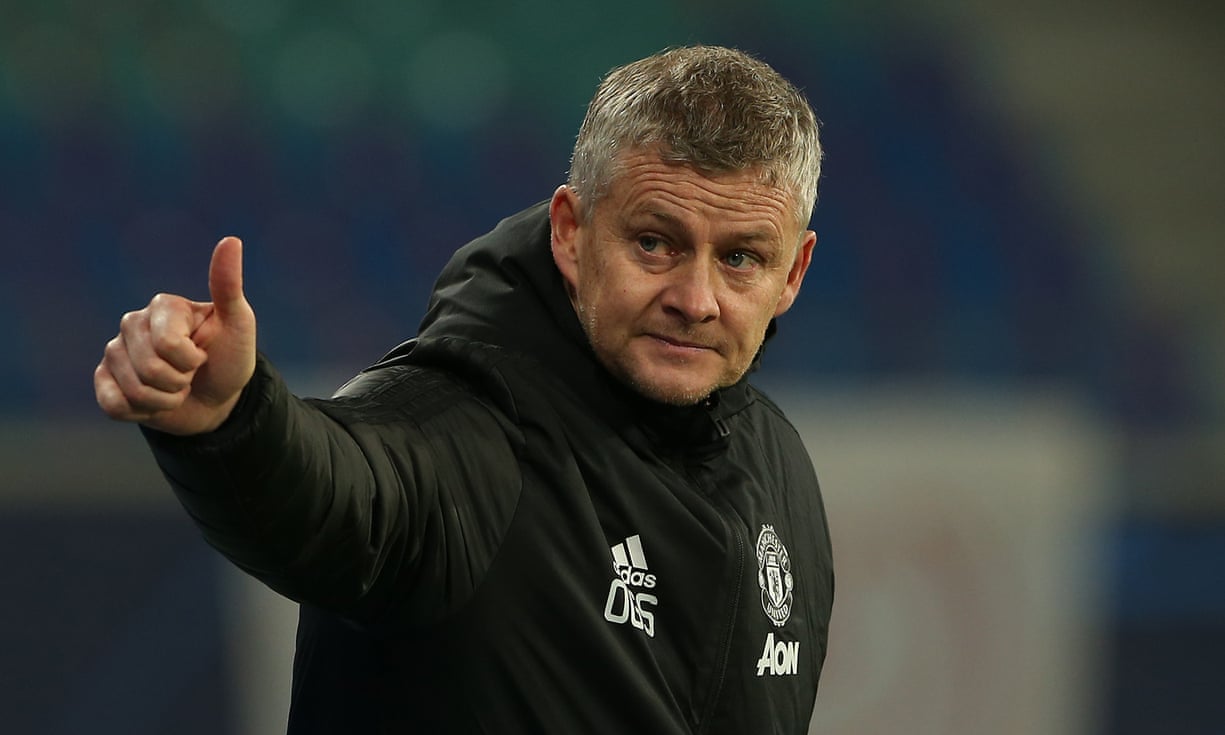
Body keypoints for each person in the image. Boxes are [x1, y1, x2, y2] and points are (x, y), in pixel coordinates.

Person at [95, 45, 834, 734]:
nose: (696, 300)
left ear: (793, 274)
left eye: (740, 258)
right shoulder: (466, 425)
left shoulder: (778, 466)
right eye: (654, 243)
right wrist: (234, 420)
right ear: (571, 233)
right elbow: (341, 488)